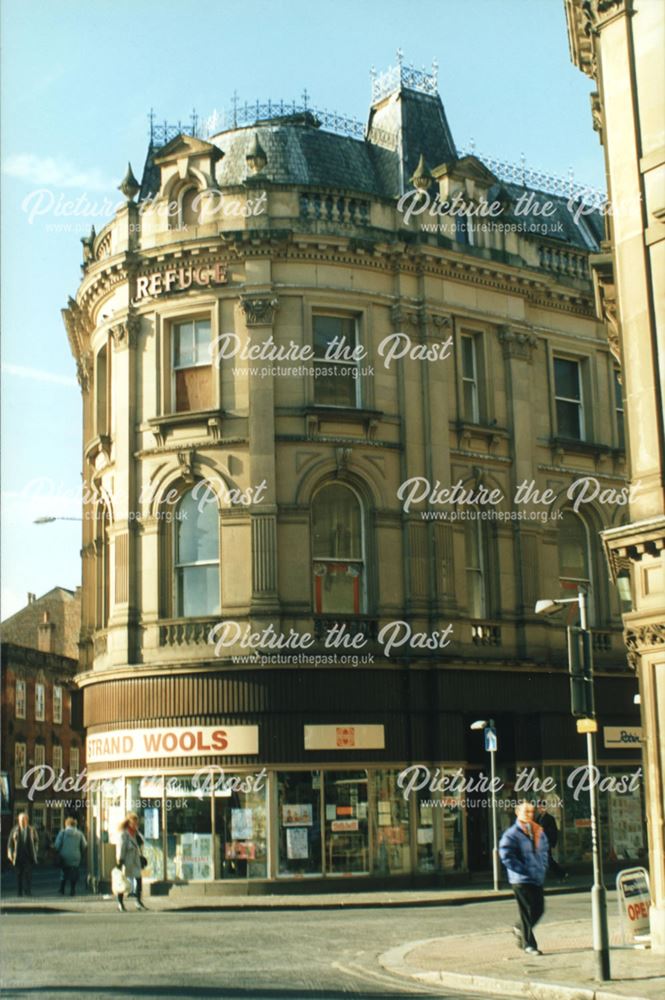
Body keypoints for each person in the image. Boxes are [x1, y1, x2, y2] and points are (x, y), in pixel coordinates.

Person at [499, 800, 549, 956]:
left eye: (531, 812)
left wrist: (543, 866)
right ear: (517, 813)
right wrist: (521, 869)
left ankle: (520, 928)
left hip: (536, 877)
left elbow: (544, 851)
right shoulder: (512, 834)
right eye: (525, 811)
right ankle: (529, 944)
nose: (529, 814)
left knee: (539, 909)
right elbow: (505, 855)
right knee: (527, 910)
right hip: (520, 879)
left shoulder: (537, 831)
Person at [115, 812, 147, 911]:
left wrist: (138, 835)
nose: (136, 825)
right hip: (126, 860)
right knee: (122, 882)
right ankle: (120, 902)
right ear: (129, 823)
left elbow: (142, 842)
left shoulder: (136, 833)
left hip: (135, 859)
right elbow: (121, 848)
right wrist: (120, 861)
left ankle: (138, 901)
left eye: (137, 823)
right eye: (134, 823)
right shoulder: (124, 834)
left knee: (138, 879)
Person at [6, 812, 39, 896]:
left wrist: (35, 850)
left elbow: (36, 841)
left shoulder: (32, 830)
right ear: (18, 820)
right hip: (17, 856)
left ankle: (28, 891)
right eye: (21, 820)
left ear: (27, 820)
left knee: (28, 875)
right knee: (19, 875)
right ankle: (19, 892)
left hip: (28, 856)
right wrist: (10, 854)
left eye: (24, 820)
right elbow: (10, 844)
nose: (22, 822)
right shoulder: (14, 830)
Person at [55, 817, 87, 896]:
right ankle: (73, 889)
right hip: (76, 856)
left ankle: (62, 889)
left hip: (64, 856)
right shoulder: (79, 833)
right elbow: (84, 845)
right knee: (74, 873)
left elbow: (57, 845)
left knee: (64, 873)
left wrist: (58, 850)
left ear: (66, 824)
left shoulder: (62, 833)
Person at [536, 800, 567, 881]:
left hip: (546, 842)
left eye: (540, 807)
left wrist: (552, 843)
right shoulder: (538, 818)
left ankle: (561, 873)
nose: (539, 809)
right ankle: (560, 873)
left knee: (548, 860)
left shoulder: (549, 818)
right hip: (539, 843)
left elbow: (553, 831)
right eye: (538, 808)